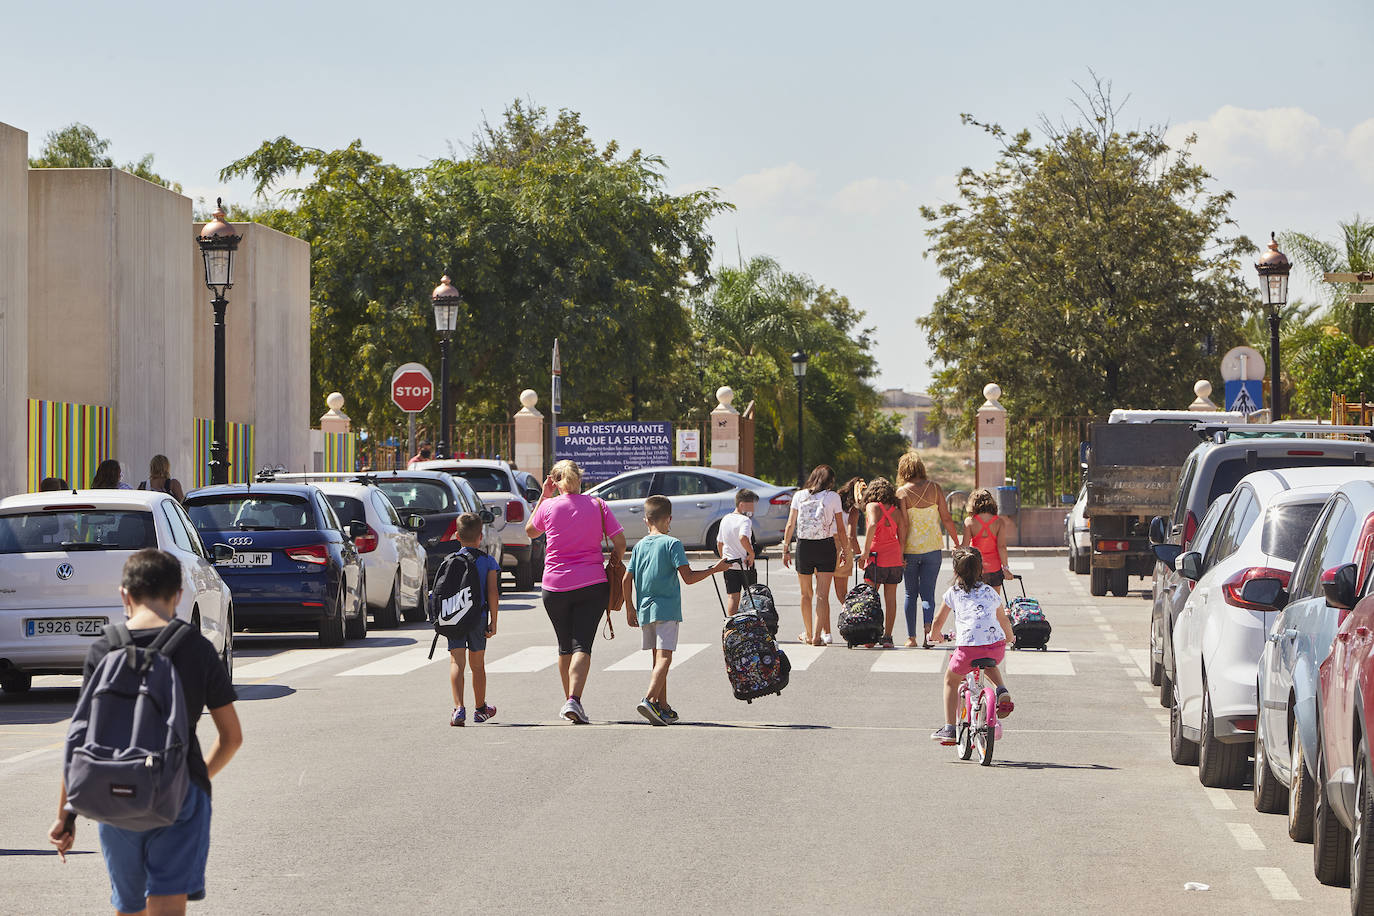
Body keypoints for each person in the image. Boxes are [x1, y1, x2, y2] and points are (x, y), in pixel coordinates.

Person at [48, 549, 243, 915]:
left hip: (112, 794)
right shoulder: (196, 648)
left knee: (128, 907)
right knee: (168, 904)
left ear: (125, 594)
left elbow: (78, 740)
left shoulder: (103, 649)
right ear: (178, 596)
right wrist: (191, 777)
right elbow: (232, 736)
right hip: (179, 795)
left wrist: (65, 815)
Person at [525, 459, 626, 724]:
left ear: (555, 480)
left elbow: (530, 531)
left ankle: (570, 700)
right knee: (582, 644)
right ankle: (574, 700)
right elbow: (620, 541)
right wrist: (614, 560)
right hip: (592, 583)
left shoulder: (548, 506)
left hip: (554, 586)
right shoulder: (597, 505)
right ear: (579, 479)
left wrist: (544, 496)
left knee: (563, 645)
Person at [623, 496, 728, 725]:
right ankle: (650, 699)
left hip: (645, 609)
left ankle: (663, 706)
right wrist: (715, 569)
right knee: (666, 658)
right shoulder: (672, 544)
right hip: (667, 608)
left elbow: (626, 579)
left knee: (656, 660)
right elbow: (688, 578)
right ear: (669, 519)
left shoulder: (639, 546)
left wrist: (630, 609)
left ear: (645, 520)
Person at [928, 547, 1016, 745]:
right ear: (980, 570)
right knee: (989, 661)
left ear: (956, 571)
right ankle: (1001, 689)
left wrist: (935, 635)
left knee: (951, 681)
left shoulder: (953, 592)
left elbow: (937, 621)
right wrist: (1009, 638)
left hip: (968, 648)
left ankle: (950, 727)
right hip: (995, 646)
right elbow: (1003, 621)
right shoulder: (990, 592)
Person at [897, 451, 962, 647]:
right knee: (928, 594)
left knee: (910, 593)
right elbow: (947, 518)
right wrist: (958, 544)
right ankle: (928, 633)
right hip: (933, 549)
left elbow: (904, 526)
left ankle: (911, 638)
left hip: (910, 549)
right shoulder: (935, 488)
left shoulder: (901, 493)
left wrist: (899, 553)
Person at [782, 464, 850, 646]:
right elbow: (841, 529)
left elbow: (790, 524)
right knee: (822, 595)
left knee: (806, 594)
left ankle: (809, 632)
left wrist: (786, 548)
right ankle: (817, 636)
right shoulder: (833, 497)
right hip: (825, 546)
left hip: (804, 546)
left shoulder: (799, 496)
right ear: (830, 481)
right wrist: (844, 549)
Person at [447, 512, 500, 727]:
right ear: (481, 536)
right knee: (477, 665)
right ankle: (480, 709)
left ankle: (459, 708)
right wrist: (493, 621)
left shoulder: (450, 560)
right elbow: (492, 593)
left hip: (455, 618)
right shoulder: (487, 561)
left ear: (457, 537)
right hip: (477, 618)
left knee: (456, 662)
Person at [859, 477, 908, 648]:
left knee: (870, 597)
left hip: (876, 557)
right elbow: (902, 537)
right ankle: (887, 636)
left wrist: (864, 553)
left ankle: (870, 635)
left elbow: (872, 524)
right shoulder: (897, 512)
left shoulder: (872, 506)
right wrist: (900, 557)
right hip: (894, 558)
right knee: (891, 599)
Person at [715, 489, 758, 616]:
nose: (753, 507)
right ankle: (750, 625)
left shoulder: (725, 519)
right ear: (741, 504)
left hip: (729, 564)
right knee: (750, 596)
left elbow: (719, 543)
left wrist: (724, 557)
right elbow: (743, 537)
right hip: (744, 565)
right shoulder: (745, 520)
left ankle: (731, 626)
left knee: (733, 597)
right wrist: (751, 553)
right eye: (751, 503)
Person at [963, 488, 1012, 593]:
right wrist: (1006, 568)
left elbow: (965, 547)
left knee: (976, 602)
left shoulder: (969, 522)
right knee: (994, 603)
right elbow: (1002, 547)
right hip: (994, 568)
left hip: (976, 568)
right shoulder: (999, 522)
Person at [831, 477, 864, 605]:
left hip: (825, 543)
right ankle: (850, 617)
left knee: (822, 592)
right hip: (842, 546)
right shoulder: (853, 510)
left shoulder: (834, 500)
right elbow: (851, 536)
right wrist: (860, 555)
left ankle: (823, 625)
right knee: (842, 593)